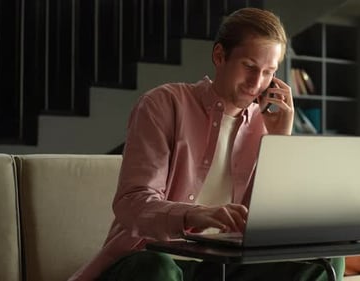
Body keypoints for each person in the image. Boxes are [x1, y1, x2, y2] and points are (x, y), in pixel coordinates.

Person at [69, 7, 345, 281]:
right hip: (151, 257)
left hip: (221, 265)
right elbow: (132, 204)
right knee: (157, 269)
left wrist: (279, 142)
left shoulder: (266, 123)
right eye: (249, 66)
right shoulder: (164, 104)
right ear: (219, 55)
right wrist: (195, 216)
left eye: (268, 72)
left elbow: (267, 224)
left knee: (326, 260)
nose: (256, 83)